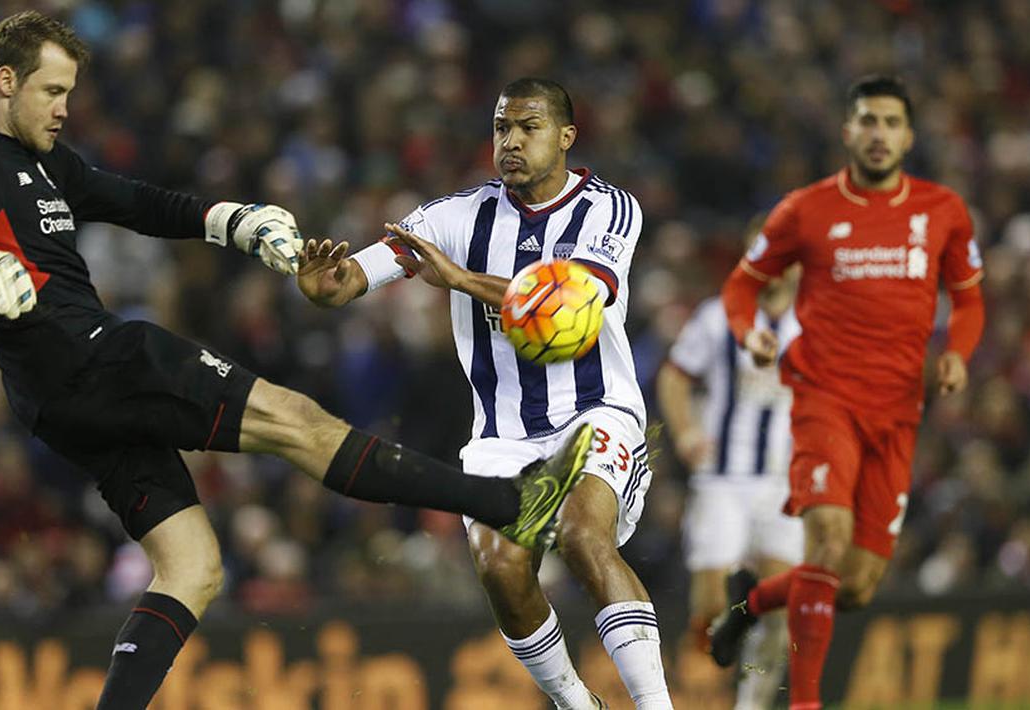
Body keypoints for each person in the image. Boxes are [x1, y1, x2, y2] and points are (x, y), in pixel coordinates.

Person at [0, 13, 591, 710]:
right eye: (51, 92)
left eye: (69, 92)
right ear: (5, 81)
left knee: (192, 567)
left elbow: (134, 202)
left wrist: (233, 222)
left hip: (58, 400)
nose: (65, 109)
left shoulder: (42, 162)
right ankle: (508, 503)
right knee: (298, 422)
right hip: (97, 358)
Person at [297, 78, 672, 710]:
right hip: (501, 436)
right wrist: (326, 284)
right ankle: (577, 704)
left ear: (566, 136)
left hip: (595, 410)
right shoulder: (455, 216)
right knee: (499, 563)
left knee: (584, 536)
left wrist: (460, 279)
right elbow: (359, 273)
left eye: (529, 127)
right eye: (502, 128)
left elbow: (574, 298)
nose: (512, 142)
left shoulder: (610, 208)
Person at [707, 75, 985, 708]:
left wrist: (959, 356)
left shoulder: (942, 211)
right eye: (868, 120)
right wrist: (750, 333)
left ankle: (752, 603)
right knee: (826, 541)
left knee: (853, 585)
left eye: (891, 122)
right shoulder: (804, 210)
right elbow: (741, 286)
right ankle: (806, 703)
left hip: (898, 412)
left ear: (909, 136)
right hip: (823, 398)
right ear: (848, 131)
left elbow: (968, 301)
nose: (879, 133)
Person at [658, 250, 802, 710]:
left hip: (784, 482)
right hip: (722, 478)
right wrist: (684, 432)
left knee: (783, 610)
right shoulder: (719, 315)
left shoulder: (822, 320)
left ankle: (752, 704)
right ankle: (735, 616)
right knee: (711, 613)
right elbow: (675, 376)